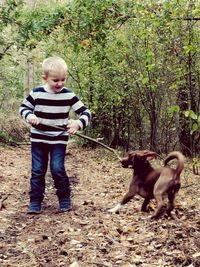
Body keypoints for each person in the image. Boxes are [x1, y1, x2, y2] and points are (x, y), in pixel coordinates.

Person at [19, 56, 91, 214]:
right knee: (38, 170)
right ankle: (35, 201)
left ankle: (64, 199)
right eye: (55, 80)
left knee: (57, 168)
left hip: (59, 139)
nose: (60, 83)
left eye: (63, 79)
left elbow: (86, 112)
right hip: (39, 138)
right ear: (45, 78)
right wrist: (29, 116)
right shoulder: (36, 93)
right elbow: (23, 108)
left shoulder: (68, 95)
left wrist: (78, 123)